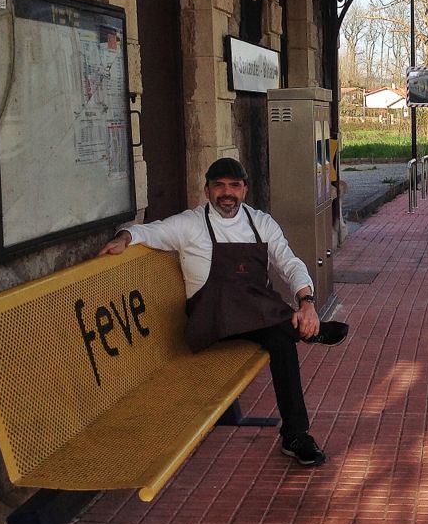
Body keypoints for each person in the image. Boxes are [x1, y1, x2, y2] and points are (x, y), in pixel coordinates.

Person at [98, 157, 347, 466]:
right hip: (212, 322)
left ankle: (296, 435)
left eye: (234, 186)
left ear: (245, 190)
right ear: (207, 190)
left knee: (282, 343)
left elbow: (289, 263)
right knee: (277, 322)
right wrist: (124, 238)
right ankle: (310, 331)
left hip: (255, 319)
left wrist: (307, 301)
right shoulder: (190, 224)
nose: (226, 193)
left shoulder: (261, 223)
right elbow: (148, 232)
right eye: (219, 186)